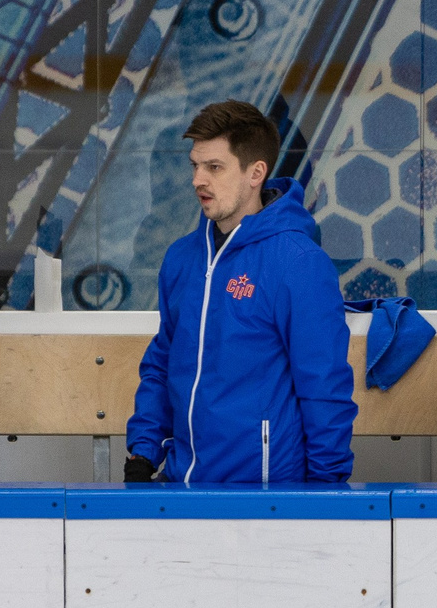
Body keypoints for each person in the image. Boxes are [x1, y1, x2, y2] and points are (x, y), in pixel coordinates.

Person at [126, 101, 356, 484]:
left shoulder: (298, 262)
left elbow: (324, 383)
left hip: (265, 494)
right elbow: (162, 363)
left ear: (256, 173)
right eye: (195, 166)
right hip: (183, 483)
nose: (198, 180)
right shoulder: (182, 258)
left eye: (214, 167)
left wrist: (324, 488)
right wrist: (144, 452)